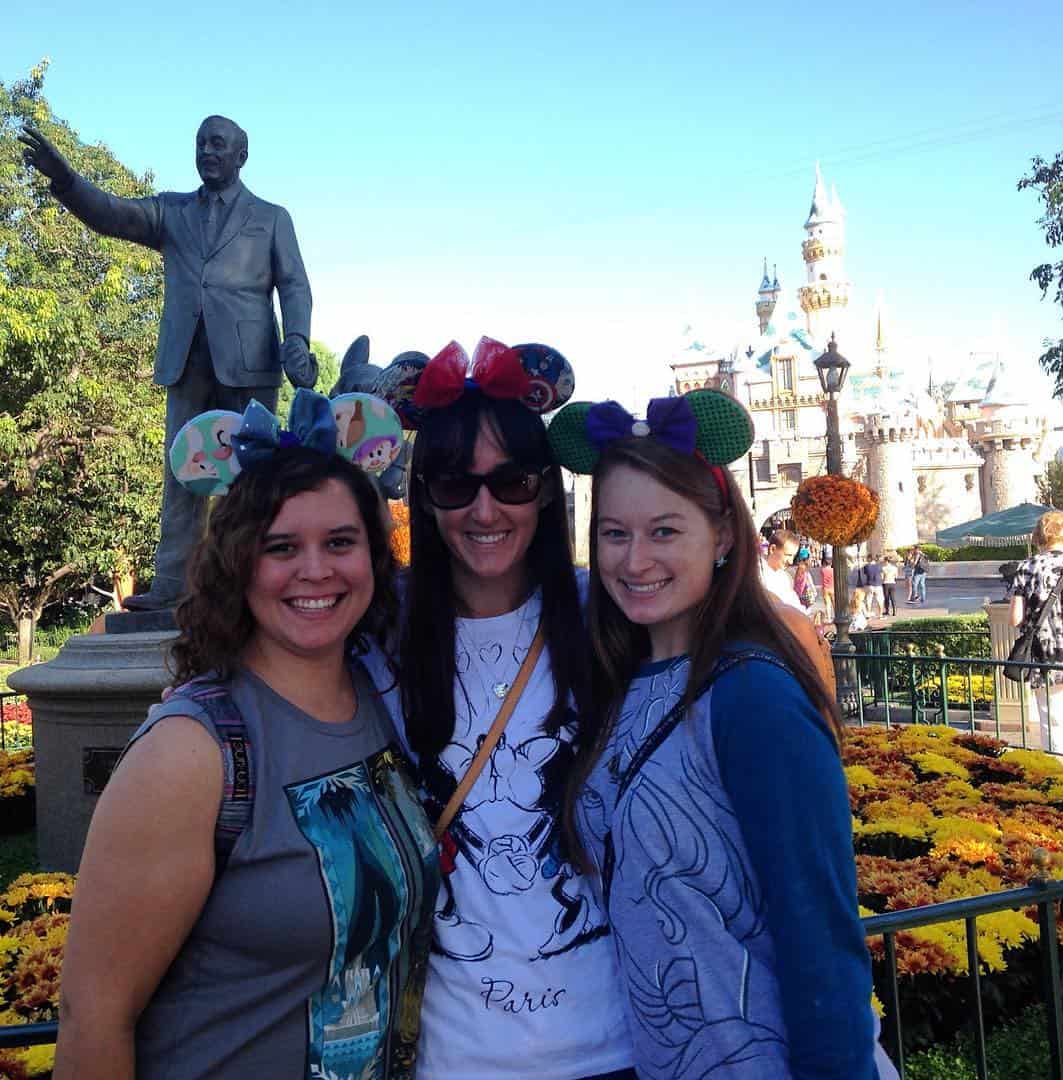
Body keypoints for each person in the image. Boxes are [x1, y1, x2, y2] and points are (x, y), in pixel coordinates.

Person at [53, 390, 439, 1080]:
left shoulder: (381, 703)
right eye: (280, 547)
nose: (315, 570)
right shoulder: (191, 753)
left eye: (340, 542)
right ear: (237, 562)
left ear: (374, 557)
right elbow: (94, 1017)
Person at [548, 391, 894, 1079]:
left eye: (665, 532)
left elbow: (819, 934)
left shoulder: (754, 696)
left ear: (724, 537)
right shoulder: (622, 684)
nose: (634, 559)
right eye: (615, 533)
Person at [367, 338, 634, 1080]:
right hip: (456, 1056)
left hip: (617, 1042)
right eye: (454, 484)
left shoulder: (610, 615)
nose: (485, 509)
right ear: (423, 494)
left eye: (512, 482)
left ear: (545, 490)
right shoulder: (376, 636)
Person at [19, 117, 316, 611]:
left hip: (249, 359)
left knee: (255, 475)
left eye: (218, 144)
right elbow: (112, 214)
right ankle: (173, 586)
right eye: (201, 143)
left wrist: (299, 340)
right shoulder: (171, 211)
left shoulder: (271, 217)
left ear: (241, 156)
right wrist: (66, 179)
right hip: (187, 360)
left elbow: (296, 285)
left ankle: (254, 581)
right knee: (183, 472)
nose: (207, 152)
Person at [1009, 510, 1063, 756]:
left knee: (1056, 727)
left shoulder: (1028, 567)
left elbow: (1015, 618)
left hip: (1048, 659)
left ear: (1039, 536)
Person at [761, 528, 803, 609]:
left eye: (793, 556)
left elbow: (795, 605)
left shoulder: (785, 578)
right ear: (772, 549)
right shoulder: (756, 574)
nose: (791, 561)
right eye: (788, 555)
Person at [820, 556, 835, 622]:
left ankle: (829, 618)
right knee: (834, 603)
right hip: (832, 588)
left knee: (827, 604)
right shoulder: (833, 570)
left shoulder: (823, 570)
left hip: (825, 588)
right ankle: (836, 615)